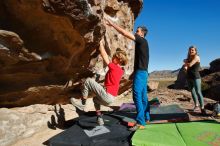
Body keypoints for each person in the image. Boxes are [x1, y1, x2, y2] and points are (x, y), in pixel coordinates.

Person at [105, 19, 150, 131]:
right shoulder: (145, 43)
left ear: (142, 33)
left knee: (137, 96)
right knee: (143, 96)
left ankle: (140, 122)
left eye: (137, 31)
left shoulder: (141, 40)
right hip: (143, 73)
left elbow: (125, 33)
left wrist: (112, 24)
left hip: (141, 73)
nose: (135, 32)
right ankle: (147, 117)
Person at [70, 39, 128, 125]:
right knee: (96, 100)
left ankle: (82, 103)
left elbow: (104, 55)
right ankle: (99, 118)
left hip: (107, 96)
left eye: (114, 57)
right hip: (111, 99)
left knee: (88, 81)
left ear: (119, 59)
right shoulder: (120, 71)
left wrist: (100, 43)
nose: (112, 58)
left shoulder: (114, 67)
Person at [183, 45, 206, 115]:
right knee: (192, 92)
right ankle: (196, 105)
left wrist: (185, 62)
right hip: (189, 77)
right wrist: (185, 67)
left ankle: (202, 108)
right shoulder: (188, 59)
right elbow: (186, 68)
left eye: (193, 50)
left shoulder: (197, 57)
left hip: (196, 77)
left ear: (195, 51)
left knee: (198, 92)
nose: (191, 51)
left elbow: (190, 65)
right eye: (190, 50)